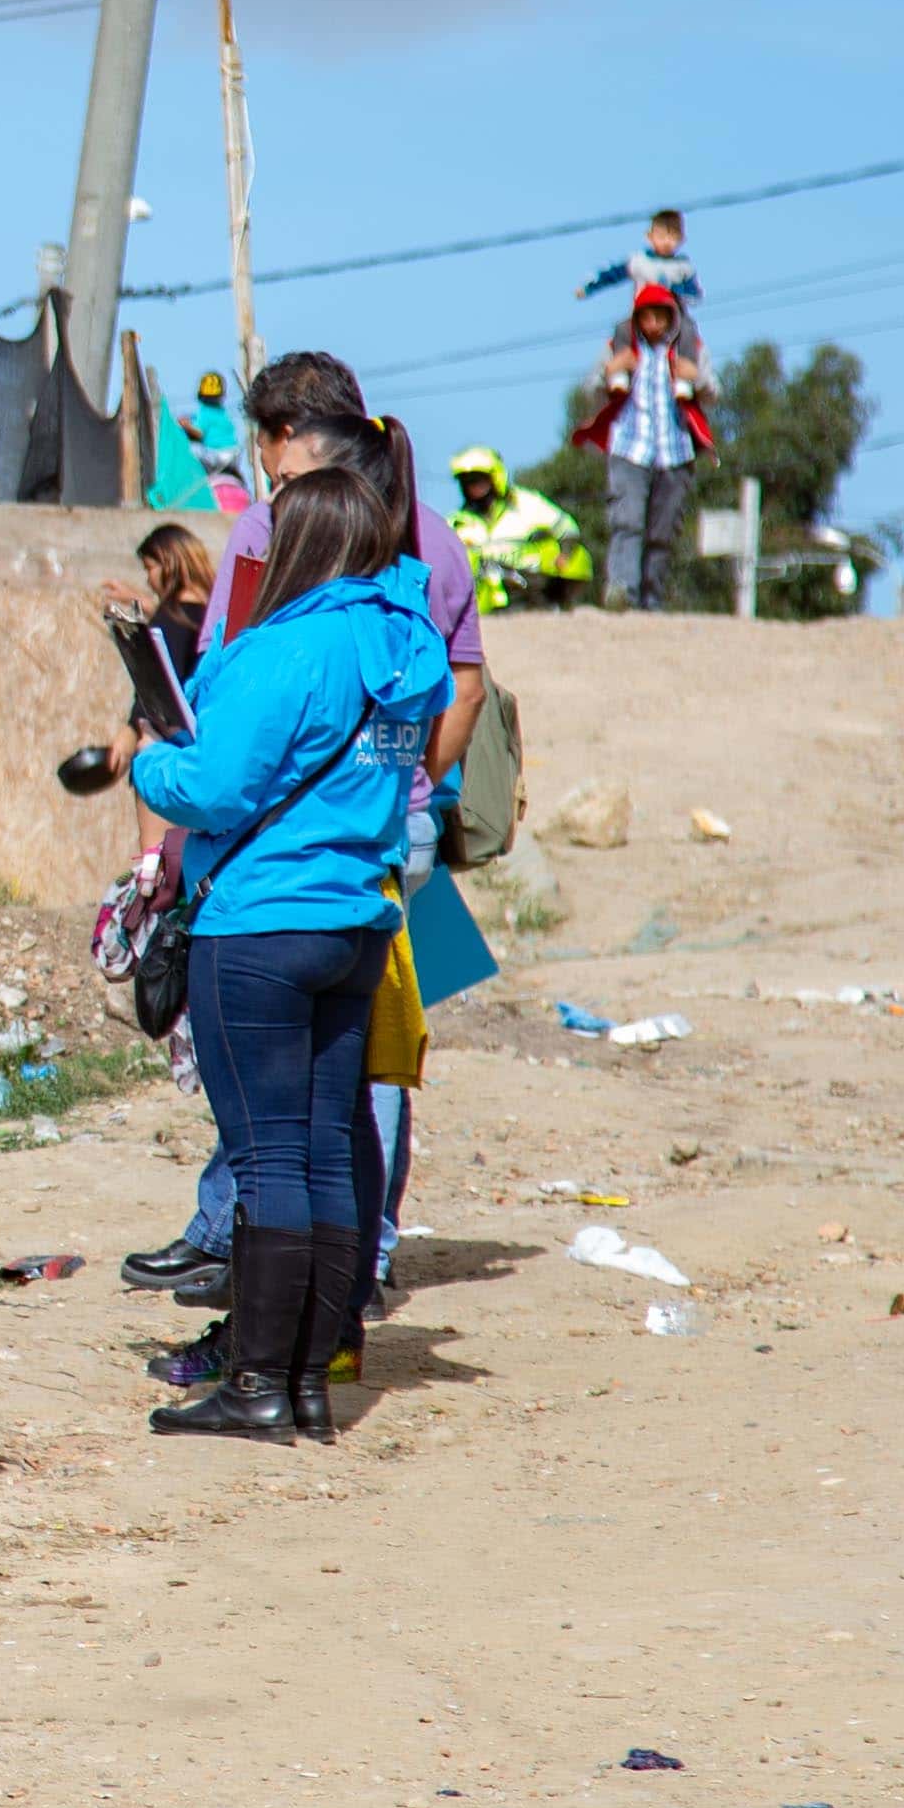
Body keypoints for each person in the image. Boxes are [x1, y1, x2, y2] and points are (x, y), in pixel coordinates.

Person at [124, 357, 483, 1318]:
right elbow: (467, 687)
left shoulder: (277, 548)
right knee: (376, 1067)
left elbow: (225, 752)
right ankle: (352, 1280)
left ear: (285, 443)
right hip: (385, 846)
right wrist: (402, 792)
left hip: (275, 870)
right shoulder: (433, 551)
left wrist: (152, 784)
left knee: (273, 1120)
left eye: (267, 456)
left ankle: (253, 1309)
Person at [576, 283, 709, 612]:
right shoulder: (618, 347)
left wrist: (698, 379)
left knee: (662, 533)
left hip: (674, 452)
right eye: (647, 317)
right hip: (629, 449)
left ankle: (652, 601)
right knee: (628, 522)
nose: (653, 324)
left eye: (660, 317)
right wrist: (611, 371)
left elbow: (712, 391)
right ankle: (622, 594)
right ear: (637, 318)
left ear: (671, 319)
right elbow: (589, 389)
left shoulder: (689, 349)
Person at [97, 522, 213, 848]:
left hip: (169, 753)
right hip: (205, 753)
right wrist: (146, 605)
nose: (148, 578)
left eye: (151, 567)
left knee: (156, 864)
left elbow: (157, 684)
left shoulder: (173, 617)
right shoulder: (213, 613)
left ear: (171, 563)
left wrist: (129, 733)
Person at [447, 444, 591, 611]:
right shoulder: (457, 521)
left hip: (531, 589)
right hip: (482, 601)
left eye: (479, 479)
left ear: (495, 477)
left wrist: (563, 556)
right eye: (467, 481)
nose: (474, 486)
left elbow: (568, 529)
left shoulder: (526, 502)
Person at [577, 207, 703, 360]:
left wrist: (675, 290)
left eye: (672, 236)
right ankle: (620, 375)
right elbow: (612, 274)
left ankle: (685, 374)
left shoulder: (683, 267)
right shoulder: (639, 261)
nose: (666, 241)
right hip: (643, 317)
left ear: (681, 239)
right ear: (649, 236)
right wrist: (589, 287)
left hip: (673, 320)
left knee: (689, 330)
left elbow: (695, 296)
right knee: (622, 329)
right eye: (661, 236)